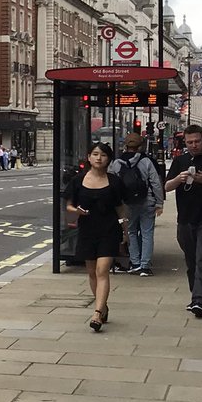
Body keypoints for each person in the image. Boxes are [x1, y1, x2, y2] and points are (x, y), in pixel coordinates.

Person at [64, 141, 127, 332]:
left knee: (102, 271)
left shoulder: (114, 181)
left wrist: (125, 231)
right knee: (92, 272)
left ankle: (97, 313)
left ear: (109, 159)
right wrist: (77, 211)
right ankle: (104, 305)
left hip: (109, 230)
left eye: (103, 155)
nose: (99, 158)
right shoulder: (78, 181)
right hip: (87, 230)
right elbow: (68, 207)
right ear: (89, 157)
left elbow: (121, 209)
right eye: (95, 154)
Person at [164, 124, 202, 318]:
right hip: (185, 218)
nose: (194, 145)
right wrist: (179, 179)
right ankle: (196, 292)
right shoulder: (180, 161)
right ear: (185, 143)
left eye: (197, 141)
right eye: (190, 142)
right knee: (191, 259)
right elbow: (167, 187)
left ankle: (200, 301)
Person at [108, 131, 164, 277]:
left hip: (127, 204)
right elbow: (156, 183)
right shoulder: (146, 162)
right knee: (147, 232)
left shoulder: (117, 163)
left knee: (130, 231)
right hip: (147, 201)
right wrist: (159, 202)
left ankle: (135, 263)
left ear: (125, 146)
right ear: (140, 147)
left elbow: (112, 184)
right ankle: (145, 266)